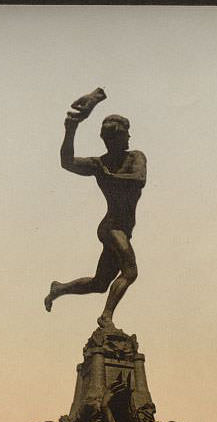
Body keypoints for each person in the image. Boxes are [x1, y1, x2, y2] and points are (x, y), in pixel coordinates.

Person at [44, 108, 147, 330]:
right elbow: (67, 162)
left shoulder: (135, 157)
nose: (129, 137)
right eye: (125, 133)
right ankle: (106, 317)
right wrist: (70, 131)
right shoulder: (98, 164)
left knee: (100, 283)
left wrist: (107, 175)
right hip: (112, 228)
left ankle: (59, 289)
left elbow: (139, 179)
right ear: (114, 138)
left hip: (123, 228)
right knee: (131, 271)